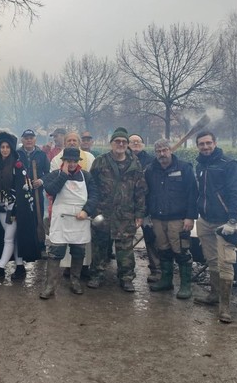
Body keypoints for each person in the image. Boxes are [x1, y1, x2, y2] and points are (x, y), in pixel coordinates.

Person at [193, 130, 237, 323]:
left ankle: (225, 307)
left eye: (208, 143)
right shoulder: (200, 165)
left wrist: (233, 220)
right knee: (211, 259)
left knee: (226, 263)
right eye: (201, 144)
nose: (205, 147)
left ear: (215, 143)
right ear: (197, 146)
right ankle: (214, 295)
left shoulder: (229, 164)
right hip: (205, 220)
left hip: (224, 222)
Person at [87, 127, 147, 292]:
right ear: (111, 143)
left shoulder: (135, 163)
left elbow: (140, 190)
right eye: (117, 141)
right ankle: (96, 275)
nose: (120, 144)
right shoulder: (100, 161)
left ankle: (126, 278)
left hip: (125, 214)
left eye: (123, 142)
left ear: (127, 144)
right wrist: (92, 209)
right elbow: (91, 186)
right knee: (99, 245)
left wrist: (139, 213)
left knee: (125, 248)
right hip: (103, 212)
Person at [41, 147, 99, 298]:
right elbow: (50, 190)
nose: (72, 164)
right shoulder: (55, 175)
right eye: (69, 161)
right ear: (64, 161)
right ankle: (50, 286)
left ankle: (75, 281)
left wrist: (86, 210)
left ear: (78, 161)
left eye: (74, 161)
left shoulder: (86, 176)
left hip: (80, 220)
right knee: (55, 253)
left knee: (78, 251)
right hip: (61, 220)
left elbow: (94, 195)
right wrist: (64, 175)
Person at [145, 139, 198, 299]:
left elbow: (192, 194)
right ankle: (166, 280)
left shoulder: (184, 168)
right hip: (157, 218)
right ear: (155, 153)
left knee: (181, 251)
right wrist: (146, 215)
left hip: (178, 219)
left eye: (165, 150)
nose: (162, 154)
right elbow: (146, 194)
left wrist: (190, 216)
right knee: (163, 250)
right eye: (159, 151)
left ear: (171, 150)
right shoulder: (150, 170)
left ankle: (185, 286)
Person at [0, 131, 39, 281]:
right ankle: (19, 267)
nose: (4, 150)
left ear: (11, 149)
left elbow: (23, 189)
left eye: (7, 147)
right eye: (2, 147)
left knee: (8, 238)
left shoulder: (18, 166)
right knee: (13, 238)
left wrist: (18, 208)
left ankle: (0, 268)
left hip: (14, 209)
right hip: (0, 208)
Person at [129, 133, 159, 282]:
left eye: (138, 141)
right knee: (126, 239)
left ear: (142, 144)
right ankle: (126, 271)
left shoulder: (151, 161)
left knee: (151, 238)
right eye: (132, 141)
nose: (135, 143)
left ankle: (156, 269)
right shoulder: (123, 159)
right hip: (127, 207)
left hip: (147, 207)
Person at [18, 129, 49, 247]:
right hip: (22, 192)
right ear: (22, 140)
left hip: (37, 191)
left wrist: (41, 181)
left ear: (34, 140)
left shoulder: (41, 155)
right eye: (26, 138)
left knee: (38, 217)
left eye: (31, 138)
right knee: (23, 218)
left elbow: (48, 173)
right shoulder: (17, 154)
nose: (29, 140)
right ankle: (24, 245)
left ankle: (40, 244)